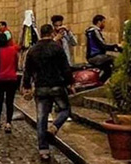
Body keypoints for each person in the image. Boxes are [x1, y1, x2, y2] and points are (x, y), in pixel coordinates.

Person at [23, 24, 74, 162]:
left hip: (41, 87)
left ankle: (43, 150)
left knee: (41, 118)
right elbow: (65, 67)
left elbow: (27, 70)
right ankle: (55, 126)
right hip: (57, 84)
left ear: (40, 33)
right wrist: (70, 82)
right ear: (51, 33)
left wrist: (26, 86)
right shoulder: (57, 47)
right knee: (65, 110)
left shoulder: (33, 50)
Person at [0, 30, 20, 132]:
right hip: (12, 78)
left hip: (0, 79)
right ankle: (8, 123)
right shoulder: (13, 50)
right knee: (10, 102)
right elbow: (16, 64)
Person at [85, 15, 122, 83]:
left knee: (108, 70)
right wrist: (116, 46)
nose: (104, 24)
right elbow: (102, 45)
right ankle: (117, 82)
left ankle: (100, 84)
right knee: (116, 60)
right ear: (99, 22)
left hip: (93, 56)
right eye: (103, 22)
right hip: (95, 56)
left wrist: (114, 47)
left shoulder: (91, 31)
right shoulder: (95, 31)